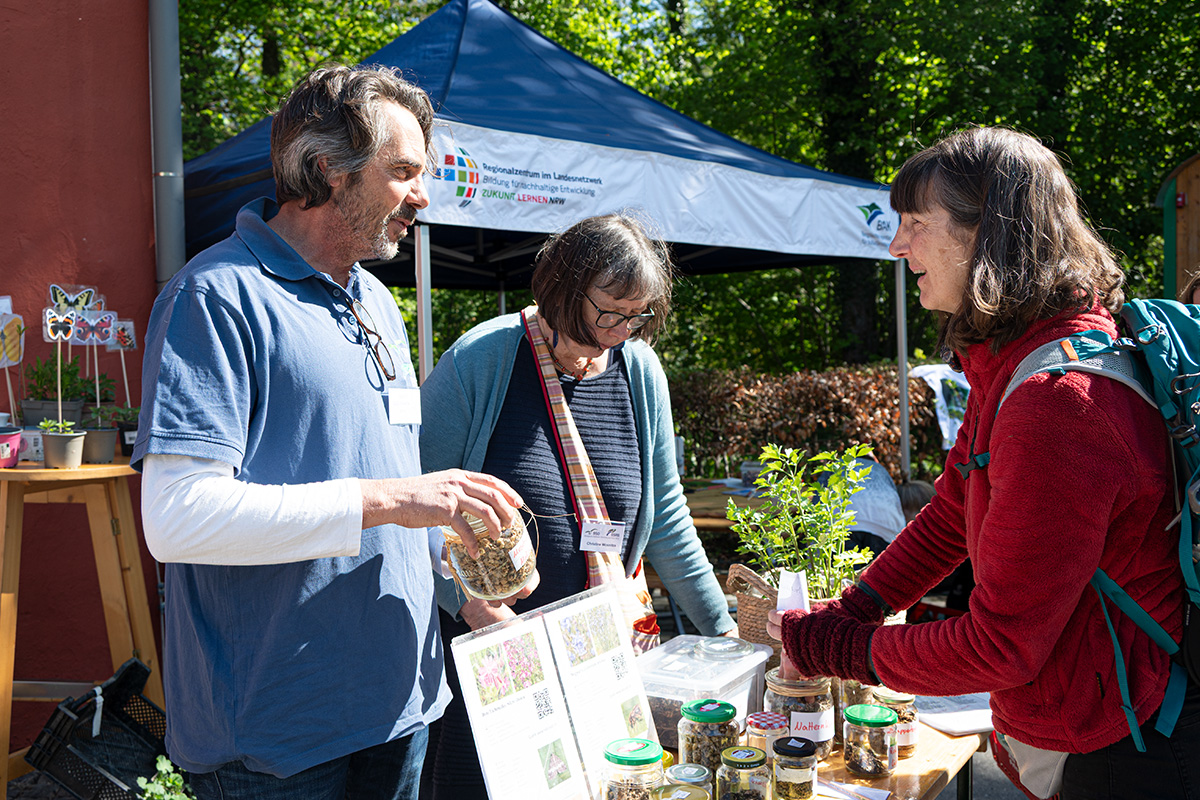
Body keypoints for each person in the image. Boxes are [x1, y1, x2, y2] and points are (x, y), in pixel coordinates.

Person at [132, 65, 530, 800]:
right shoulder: (214, 298)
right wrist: (395, 499)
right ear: (328, 171)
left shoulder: (375, 298)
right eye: (404, 171)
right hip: (277, 738)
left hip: (401, 708)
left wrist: (458, 590)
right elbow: (176, 519)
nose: (423, 195)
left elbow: (381, 477)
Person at [767, 127, 1198, 799]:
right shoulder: (1022, 361)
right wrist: (854, 609)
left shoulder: (1058, 402)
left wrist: (833, 647)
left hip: (1126, 747)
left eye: (916, 223)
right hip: (1100, 721)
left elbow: (1000, 646)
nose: (896, 245)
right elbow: (951, 514)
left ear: (989, 233)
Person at [418, 212, 737, 799]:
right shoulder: (482, 361)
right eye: (609, 311)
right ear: (565, 286)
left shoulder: (639, 370)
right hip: (494, 662)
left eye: (637, 314)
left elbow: (665, 516)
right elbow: (415, 514)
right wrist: (472, 609)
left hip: (602, 661)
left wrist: (725, 635)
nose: (622, 329)